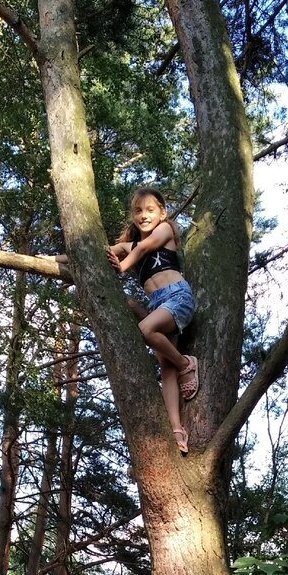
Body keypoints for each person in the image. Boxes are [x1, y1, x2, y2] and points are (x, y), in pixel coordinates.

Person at [105, 188, 198, 455]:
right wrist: (49, 260)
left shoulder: (166, 230)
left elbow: (146, 246)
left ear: (162, 213)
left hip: (177, 296)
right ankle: (178, 430)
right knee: (164, 368)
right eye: (138, 211)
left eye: (149, 210)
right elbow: (98, 253)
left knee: (146, 330)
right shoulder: (128, 247)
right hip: (157, 304)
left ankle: (186, 364)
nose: (143, 215)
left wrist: (122, 266)